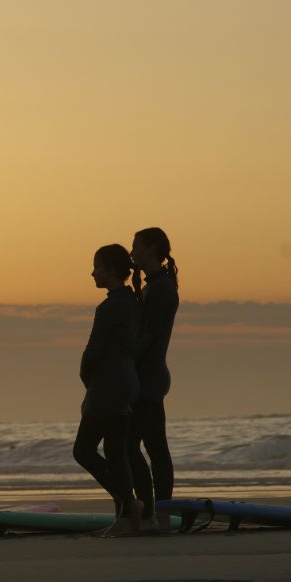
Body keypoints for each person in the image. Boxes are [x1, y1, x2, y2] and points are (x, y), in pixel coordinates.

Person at [73, 243, 141, 537]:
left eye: (97, 267)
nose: (92, 273)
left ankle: (129, 504)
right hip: (127, 381)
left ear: (111, 270)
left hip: (108, 383)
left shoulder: (110, 306)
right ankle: (125, 517)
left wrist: (87, 382)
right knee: (116, 451)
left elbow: (93, 352)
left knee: (83, 450)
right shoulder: (133, 301)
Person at [127, 227, 180, 533]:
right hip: (148, 376)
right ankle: (157, 512)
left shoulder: (160, 288)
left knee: (136, 446)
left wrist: (124, 363)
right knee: (150, 445)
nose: (132, 252)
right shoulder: (154, 285)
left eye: (136, 246)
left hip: (147, 378)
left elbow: (149, 335)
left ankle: (153, 512)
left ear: (151, 248)